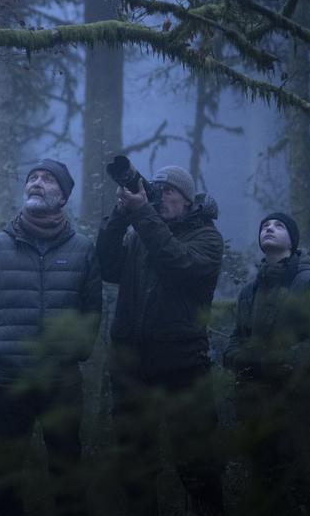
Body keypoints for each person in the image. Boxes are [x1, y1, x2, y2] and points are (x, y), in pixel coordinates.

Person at [0, 158, 102, 516]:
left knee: (68, 477)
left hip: (62, 382)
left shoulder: (83, 250)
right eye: (32, 178)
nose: (36, 183)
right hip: (7, 381)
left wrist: (78, 349)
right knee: (4, 479)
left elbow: (92, 310)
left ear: (63, 197)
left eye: (47, 180)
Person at [97, 164, 225, 516]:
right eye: (157, 189)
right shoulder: (141, 232)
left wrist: (142, 215)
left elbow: (177, 263)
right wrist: (122, 215)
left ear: (187, 199)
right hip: (132, 364)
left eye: (170, 190)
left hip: (183, 363)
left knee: (197, 463)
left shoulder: (207, 237)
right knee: (134, 466)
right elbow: (107, 266)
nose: (162, 195)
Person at [224, 212, 310, 514]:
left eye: (278, 226)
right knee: (263, 482)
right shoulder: (250, 290)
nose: (269, 229)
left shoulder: (309, 283)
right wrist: (237, 357)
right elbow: (237, 337)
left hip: (295, 402)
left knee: (301, 477)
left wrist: (287, 361)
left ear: (292, 240)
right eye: (264, 226)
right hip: (253, 402)